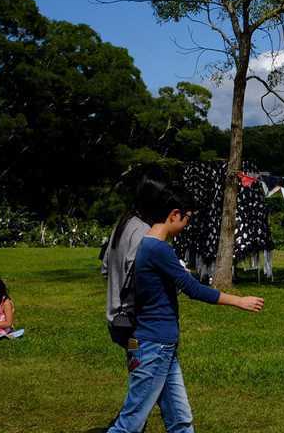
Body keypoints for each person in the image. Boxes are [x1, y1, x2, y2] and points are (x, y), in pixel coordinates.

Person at [106, 178, 264, 433]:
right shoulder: (158, 249)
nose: (187, 224)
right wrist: (239, 301)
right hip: (153, 348)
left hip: (162, 347)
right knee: (129, 424)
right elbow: (193, 288)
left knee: (181, 420)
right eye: (187, 218)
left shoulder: (148, 245)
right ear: (174, 215)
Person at [102, 182, 151, 347]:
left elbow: (105, 268)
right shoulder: (142, 229)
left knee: (135, 362)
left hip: (116, 319)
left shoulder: (122, 224)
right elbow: (138, 274)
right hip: (133, 322)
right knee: (140, 365)